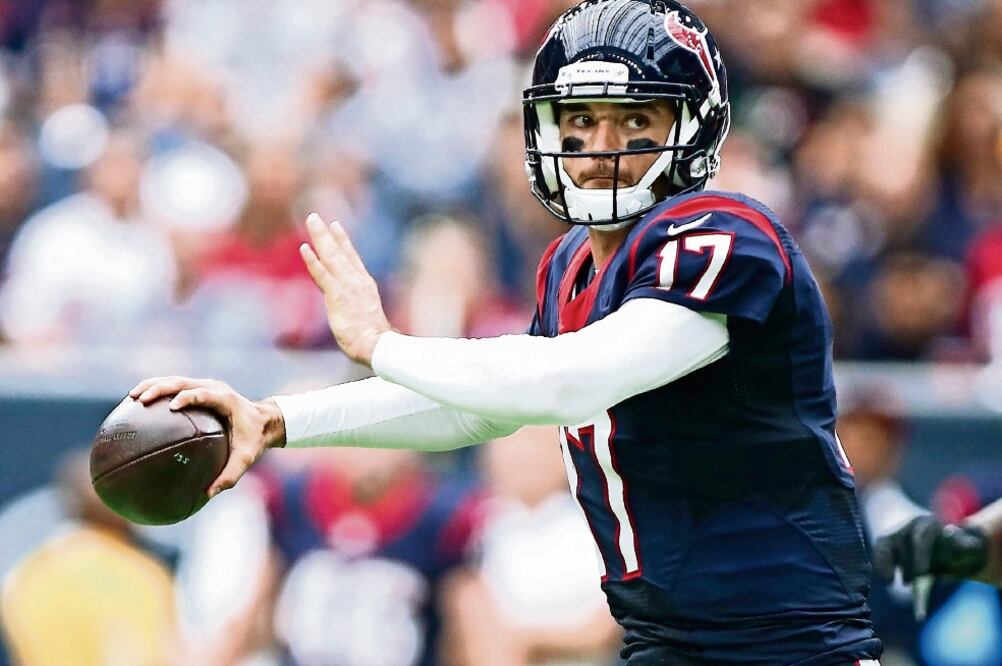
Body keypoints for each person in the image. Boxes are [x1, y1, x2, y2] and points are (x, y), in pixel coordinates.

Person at [131, 1, 883, 663]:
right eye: (582, 120)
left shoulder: (725, 233)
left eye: (636, 119)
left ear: (693, 126)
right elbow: (477, 405)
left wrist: (384, 344)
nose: (601, 146)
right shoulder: (569, 265)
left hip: (787, 644)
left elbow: (569, 381)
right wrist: (278, 419)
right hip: (669, 642)